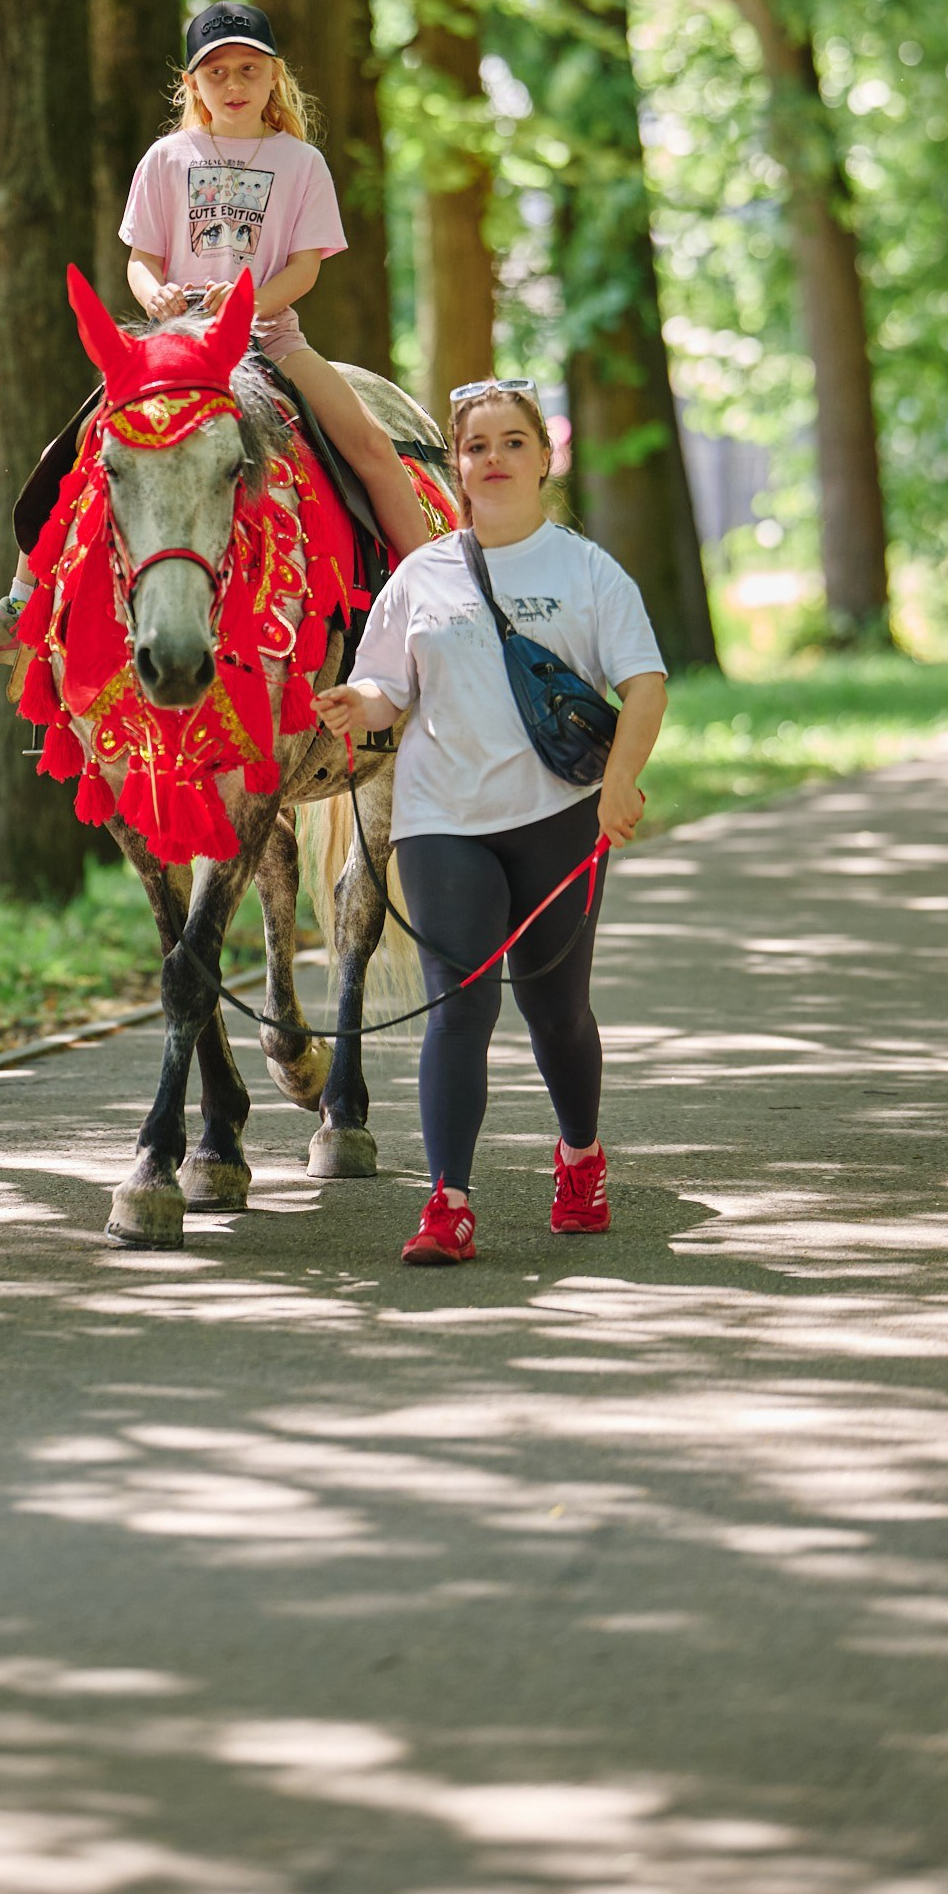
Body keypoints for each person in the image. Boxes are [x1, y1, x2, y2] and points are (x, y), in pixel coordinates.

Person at [0, 0, 433, 664]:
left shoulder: (300, 162)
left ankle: (437, 594)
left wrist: (249, 308)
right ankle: (22, 602)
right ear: (192, 83)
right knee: (75, 449)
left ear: (274, 77)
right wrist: (157, 295)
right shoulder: (167, 159)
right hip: (175, 348)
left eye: (248, 70)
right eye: (217, 71)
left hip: (271, 338)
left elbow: (306, 268)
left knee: (368, 442)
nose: (233, 84)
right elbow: (141, 262)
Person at [314, 378, 668, 1267]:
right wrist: (354, 704)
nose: (496, 460)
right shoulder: (421, 575)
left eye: (514, 443)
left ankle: (580, 1156)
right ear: (457, 467)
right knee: (459, 1007)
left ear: (544, 458)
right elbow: (387, 687)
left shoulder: (587, 571)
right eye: (478, 447)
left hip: (557, 818)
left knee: (557, 1012)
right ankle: (448, 1203)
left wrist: (621, 783)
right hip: (442, 825)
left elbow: (644, 684)